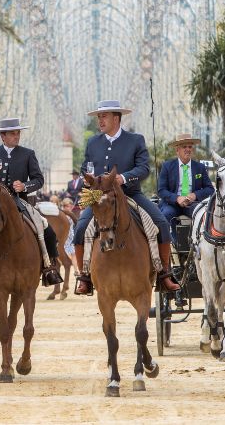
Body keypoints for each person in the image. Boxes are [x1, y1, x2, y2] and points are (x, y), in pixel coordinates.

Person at [73, 100, 179, 295]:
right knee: (80, 228)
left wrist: (124, 177)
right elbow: (84, 169)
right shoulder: (93, 142)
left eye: (103, 116)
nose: (100, 120)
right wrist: (88, 180)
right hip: (98, 196)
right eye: (99, 117)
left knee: (161, 223)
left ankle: (165, 274)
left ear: (116, 118)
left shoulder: (135, 140)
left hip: (130, 193)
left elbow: (144, 168)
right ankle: (84, 276)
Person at [0, 117, 64, 289]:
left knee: (46, 229)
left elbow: (39, 179)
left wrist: (24, 186)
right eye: (12, 133)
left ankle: (50, 267)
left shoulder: (28, 154)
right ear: (3, 136)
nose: (16, 136)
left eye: (18, 133)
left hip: (19, 201)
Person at [157, 133, 215, 241]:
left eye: (190, 147)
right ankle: (170, 245)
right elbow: (161, 190)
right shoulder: (167, 166)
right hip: (172, 204)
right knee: (164, 215)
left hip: (192, 204)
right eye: (184, 147)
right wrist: (177, 198)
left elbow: (210, 189)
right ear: (177, 150)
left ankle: (198, 242)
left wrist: (195, 195)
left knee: (204, 215)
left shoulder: (200, 168)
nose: (188, 149)